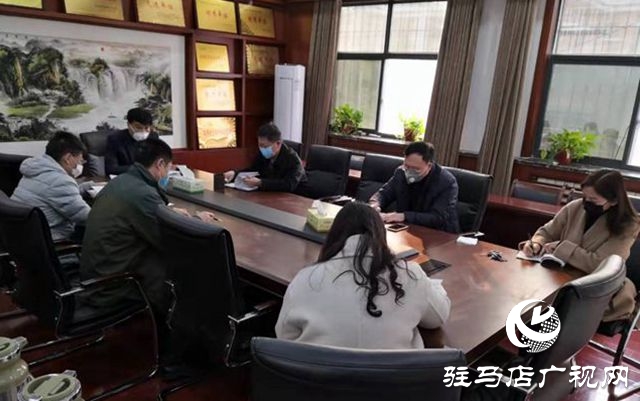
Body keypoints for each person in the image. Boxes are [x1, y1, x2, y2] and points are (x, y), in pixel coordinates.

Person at [275, 202, 451, 349]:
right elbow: (438, 317)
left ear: (335, 235)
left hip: (317, 378)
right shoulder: (410, 274)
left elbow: (284, 336)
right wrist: (430, 285)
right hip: (393, 379)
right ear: (381, 235)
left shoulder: (306, 278)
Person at [80, 138, 216, 314]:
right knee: (192, 265)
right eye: (169, 168)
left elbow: (143, 216)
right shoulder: (143, 194)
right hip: (114, 285)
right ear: (160, 164)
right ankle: (179, 324)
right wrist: (196, 221)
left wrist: (168, 213)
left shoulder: (122, 181)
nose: (168, 174)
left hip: (99, 273)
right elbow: (170, 242)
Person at [520, 169, 640, 322]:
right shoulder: (575, 207)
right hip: (559, 276)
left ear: (614, 201)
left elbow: (600, 265)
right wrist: (537, 243)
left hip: (592, 289)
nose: (587, 203)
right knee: (524, 294)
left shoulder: (628, 224)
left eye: (593, 199)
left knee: (543, 310)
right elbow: (547, 232)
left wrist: (563, 247)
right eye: (585, 197)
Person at [11, 131, 91, 242]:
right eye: (80, 160)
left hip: (22, 237)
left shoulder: (36, 169)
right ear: (68, 158)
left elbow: (55, 193)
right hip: (53, 240)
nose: (80, 165)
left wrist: (87, 187)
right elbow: (86, 218)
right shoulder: (60, 181)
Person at [369, 142, 460, 233]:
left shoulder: (447, 182)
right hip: (406, 229)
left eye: (416, 169)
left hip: (439, 234)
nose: (409, 172)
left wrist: (403, 216)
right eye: (407, 166)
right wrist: (374, 205)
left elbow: (438, 218)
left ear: (429, 165)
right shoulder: (401, 172)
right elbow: (384, 194)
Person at [223, 122, 306, 192]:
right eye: (260, 145)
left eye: (265, 146)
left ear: (278, 143)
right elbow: (253, 170)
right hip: (270, 195)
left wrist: (261, 182)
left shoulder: (293, 159)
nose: (262, 149)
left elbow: (289, 185)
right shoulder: (263, 154)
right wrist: (235, 173)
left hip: (296, 197)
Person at [105, 108, 159, 176]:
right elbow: (111, 168)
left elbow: (157, 160)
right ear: (129, 125)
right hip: (126, 177)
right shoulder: (115, 139)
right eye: (138, 127)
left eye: (146, 128)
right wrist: (141, 169)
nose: (143, 131)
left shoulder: (153, 137)